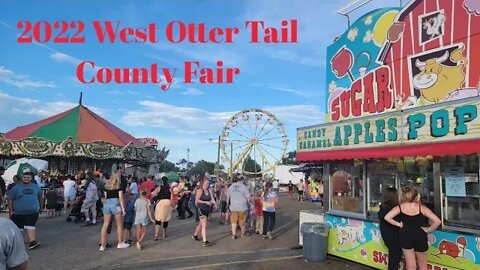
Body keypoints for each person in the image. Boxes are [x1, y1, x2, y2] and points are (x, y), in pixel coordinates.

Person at [384, 186, 441, 270]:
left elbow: (387, 217)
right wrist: (428, 230)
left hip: (405, 236)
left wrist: (399, 224)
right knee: (423, 265)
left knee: (411, 266)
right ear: (416, 196)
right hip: (420, 236)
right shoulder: (422, 208)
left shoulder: (400, 207)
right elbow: (437, 221)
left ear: (404, 196)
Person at [7, 172, 43, 250]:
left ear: (32, 178)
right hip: (17, 213)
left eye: (28, 177)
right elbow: (10, 199)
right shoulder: (16, 188)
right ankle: (14, 244)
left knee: (30, 226)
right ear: (22, 178)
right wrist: (10, 211)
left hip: (32, 212)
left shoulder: (36, 187)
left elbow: (40, 197)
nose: (26, 178)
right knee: (17, 229)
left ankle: (32, 242)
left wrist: (41, 207)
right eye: (24, 177)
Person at [99, 174, 129, 251]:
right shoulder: (119, 187)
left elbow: (105, 198)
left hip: (107, 204)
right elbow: (121, 198)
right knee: (119, 225)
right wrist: (123, 209)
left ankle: (102, 245)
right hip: (115, 204)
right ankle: (120, 243)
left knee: (105, 224)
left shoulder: (106, 187)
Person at [378, 187, 402, 270]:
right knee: (395, 258)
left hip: (386, 236)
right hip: (394, 237)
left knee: (393, 257)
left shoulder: (382, 208)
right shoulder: (394, 210)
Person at [192, 178, 216, 247]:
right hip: (201, 209)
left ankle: (195, 235)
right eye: (206, 184)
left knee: (201, 224)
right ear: (202, 184)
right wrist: (206, 202)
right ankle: (205, 241)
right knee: (204, 225)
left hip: (207, 209)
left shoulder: (209, 190)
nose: (207, 185)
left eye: (208, 184)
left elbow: (212, 198)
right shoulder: (200, 190)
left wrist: (215, 204)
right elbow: (197, 200)